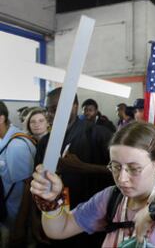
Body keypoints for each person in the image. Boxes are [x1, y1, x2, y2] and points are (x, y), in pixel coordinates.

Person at [34, 87, 114, 247]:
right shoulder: (45, 142)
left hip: (93, 221)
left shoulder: (99, 134)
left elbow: (121, 175)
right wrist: (36, 219)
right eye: (48, 110)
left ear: (75, 106)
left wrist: (83, 167)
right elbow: (36, 184)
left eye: (56, 109)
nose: (50, 115)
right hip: (55, 216)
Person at [0, 101, 36, 247]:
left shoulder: (16, 146)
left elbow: (29, 185)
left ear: (1, 119)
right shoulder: (4, 139)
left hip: (17, 218)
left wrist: (20, 225)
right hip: (6, 214)